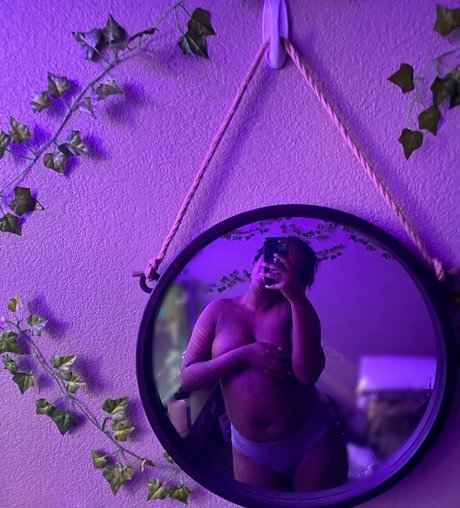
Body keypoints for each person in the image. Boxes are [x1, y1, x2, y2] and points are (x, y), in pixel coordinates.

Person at [180, 235, 349, 492]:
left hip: (311, 438)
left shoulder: (297, 310)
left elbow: (307, 375)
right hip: (251, 451)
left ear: (298, 280)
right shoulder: (218, 311)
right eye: (270, 256)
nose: (274, 265)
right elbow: (188, 379)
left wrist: (297, 299)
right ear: (255, 262)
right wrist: (244, 355)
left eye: (287, 264)